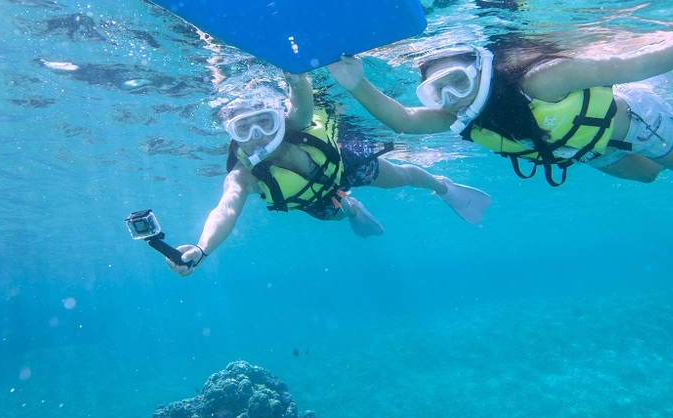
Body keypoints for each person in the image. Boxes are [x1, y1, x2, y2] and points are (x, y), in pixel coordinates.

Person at [327, 22, 673, 224]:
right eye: (439, 92)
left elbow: (639, 62)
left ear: (482, 69)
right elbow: (403, 122)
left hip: (635, 122)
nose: (452, 99)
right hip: (588, 148)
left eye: (458, 81)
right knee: (648, 176)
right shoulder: (458, 118)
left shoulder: (542, 81)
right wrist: (355, 83)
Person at [166, 72, 492, 276]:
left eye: (265, 121)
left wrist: (295, 77)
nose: (258, 136)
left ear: (278, 117)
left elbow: (301, 100)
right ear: (232, 134)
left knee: (400, 178)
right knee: (336, 216)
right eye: (244, 129)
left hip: (344, 163)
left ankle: (443, 188)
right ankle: (352, 209)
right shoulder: (243, 176)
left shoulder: (297, 122)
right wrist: (202, 248)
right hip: (312, 198)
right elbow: (225, 210)